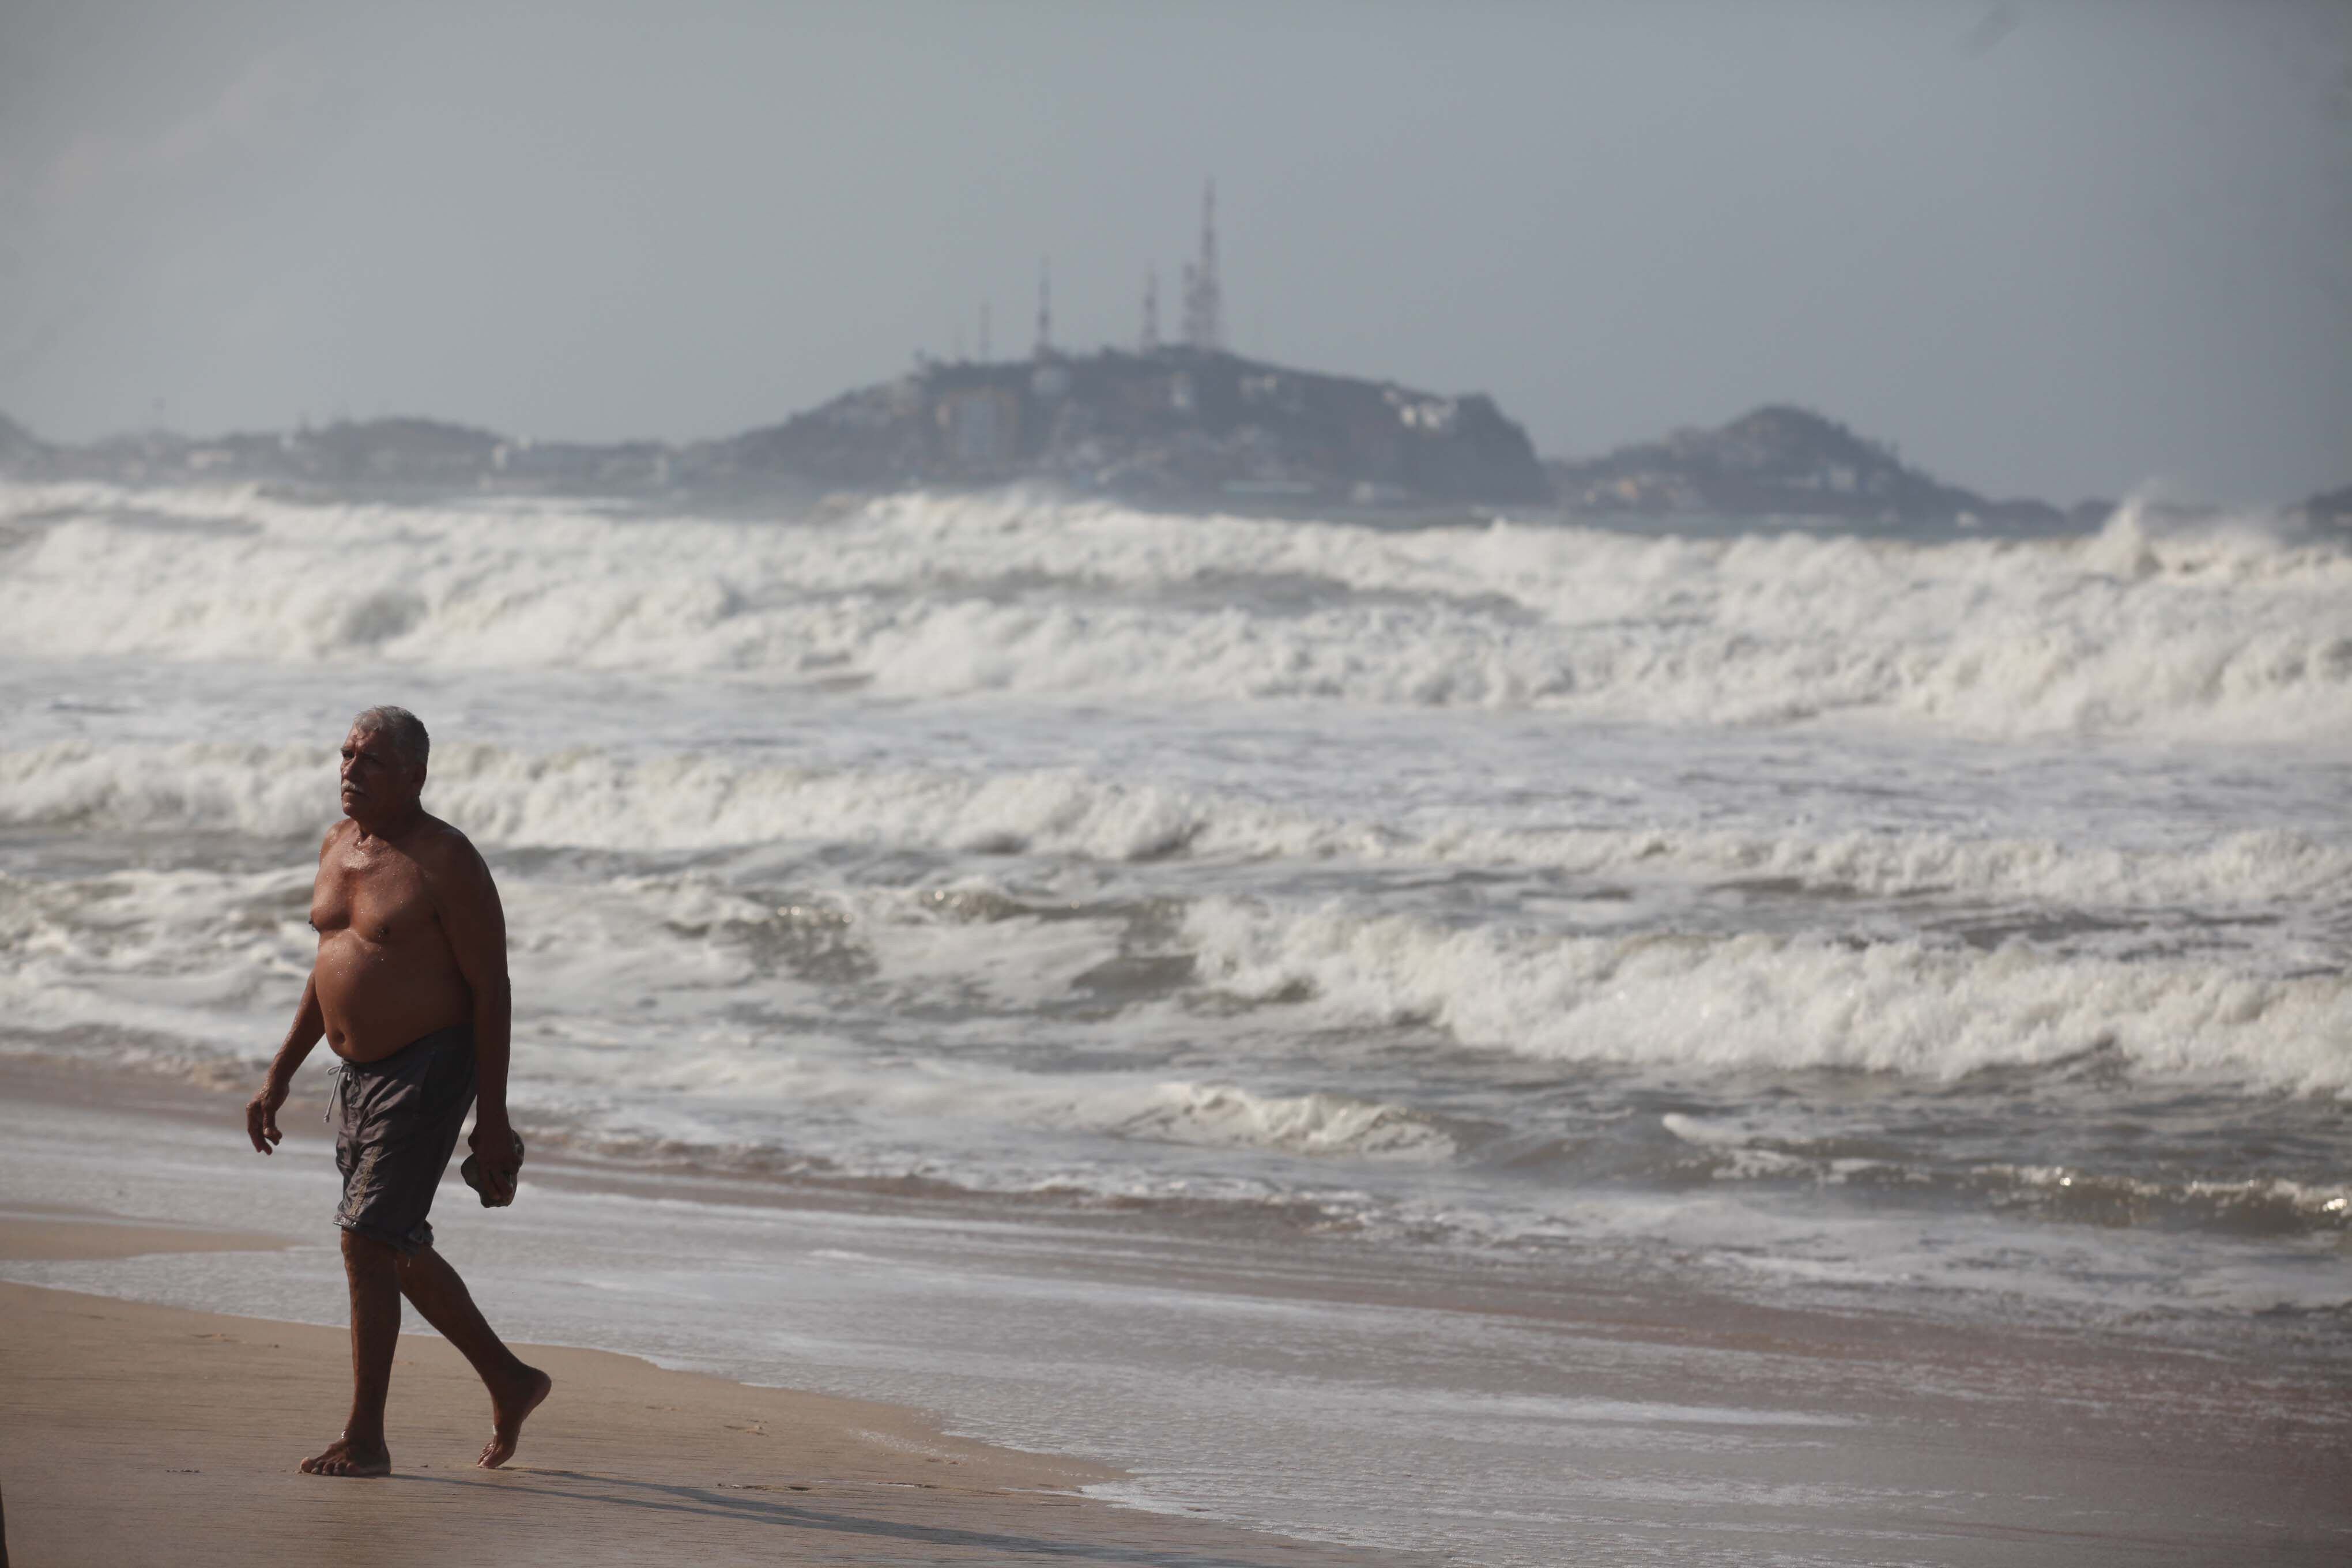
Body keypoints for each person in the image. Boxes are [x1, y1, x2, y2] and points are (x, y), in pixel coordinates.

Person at [244, 706, 550, 1477]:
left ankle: (366, 1440)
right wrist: (280, 1075)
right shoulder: (336, 845)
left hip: (430, 1068)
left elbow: (494, 991)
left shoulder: (446, 861)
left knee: (366, 1237)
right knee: (393, 1242)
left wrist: (493, 1121)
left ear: (414, 776)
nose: (351, 770)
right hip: (357, 1078)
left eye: (371, 761)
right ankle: (512, 1381)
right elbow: (329, 970)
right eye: (346, 755)